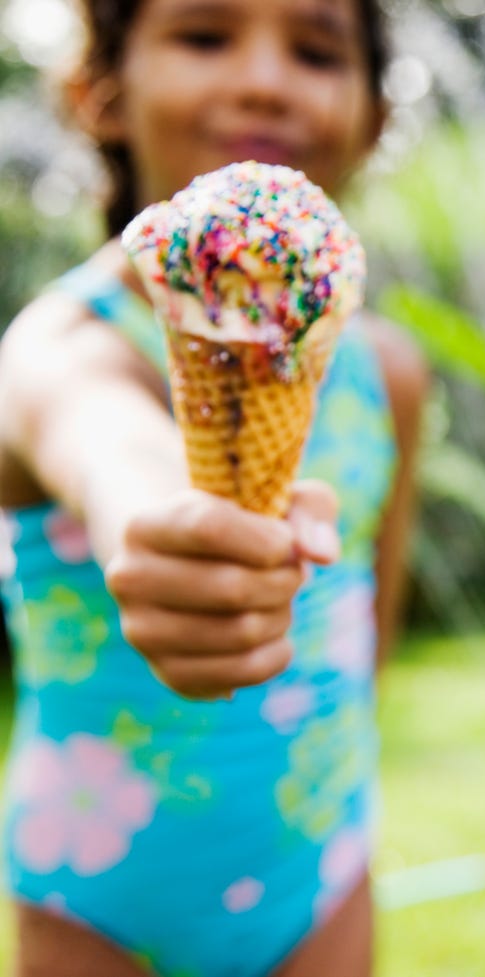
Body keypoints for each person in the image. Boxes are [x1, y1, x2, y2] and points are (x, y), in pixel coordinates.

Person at [0, 1, 428, 975]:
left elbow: (370, 622)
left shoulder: (386, 373)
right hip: (97, 885)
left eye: (316, 51)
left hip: (319, 862)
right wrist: (162, 531)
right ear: (98, 96)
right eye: (204, 37)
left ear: (371, 115)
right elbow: (108, 446)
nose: (264, 80)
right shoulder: (58, 347)